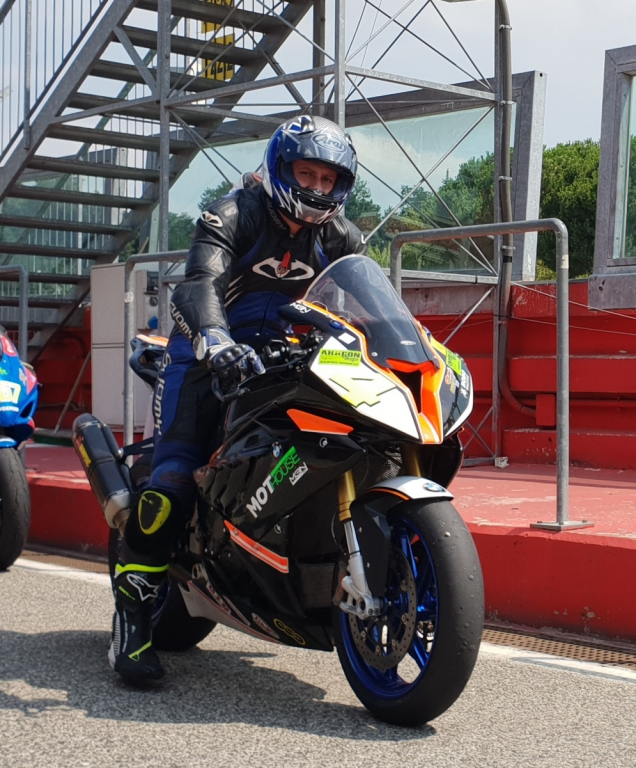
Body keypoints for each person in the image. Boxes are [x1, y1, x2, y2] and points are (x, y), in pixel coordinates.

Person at [109, 115, 367, 684]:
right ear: (280, 168)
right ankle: (131, 622)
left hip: (289, 359)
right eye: (307, 174)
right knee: (173, 483)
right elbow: (198, 284)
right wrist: (215, 340)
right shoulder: (232, 213)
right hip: (206, 354)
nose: (317, 188)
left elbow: (371, 305)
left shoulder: (342, 238)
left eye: (328, 179)